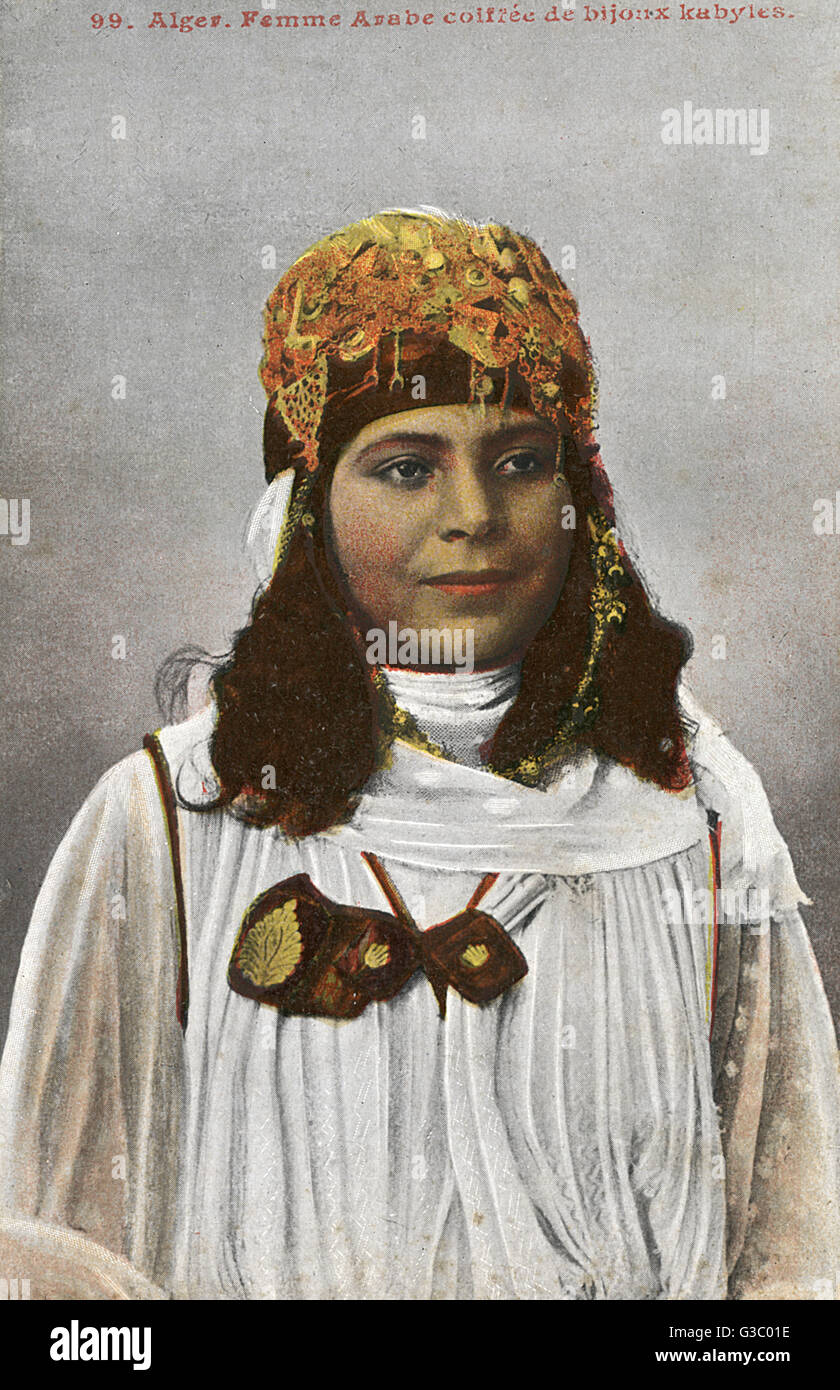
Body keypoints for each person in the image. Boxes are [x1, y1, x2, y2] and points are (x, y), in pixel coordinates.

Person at [0, 210, 837, 1300]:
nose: (475, 516)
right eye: (406, 469)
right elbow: (61, 1267)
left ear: (580, 502)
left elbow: (794, 1261)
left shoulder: (702, 825)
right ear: (305, 511)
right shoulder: (166, 820)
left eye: (521, 461)